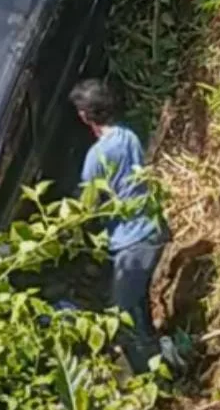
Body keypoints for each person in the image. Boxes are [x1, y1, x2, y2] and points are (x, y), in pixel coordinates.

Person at [69, 78, 172, 374]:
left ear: (85, 116)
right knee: (137, 303)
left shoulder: (96, 155)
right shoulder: (128, 136)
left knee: (122, 317)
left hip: (132, 243)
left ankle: (152, 381)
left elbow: (86, 205)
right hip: (153, 229)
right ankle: (157, 351)